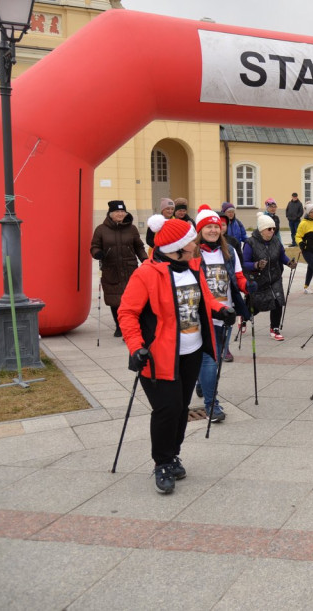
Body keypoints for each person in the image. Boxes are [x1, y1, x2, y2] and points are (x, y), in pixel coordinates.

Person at [119, 218, 235, 494]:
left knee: (181, 408)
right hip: (158, 355)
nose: (195, 244)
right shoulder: (147, 274)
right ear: (177, 248)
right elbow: (127, 313)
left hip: (191, 352)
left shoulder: (193, 267)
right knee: (166, 409)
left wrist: (220, 310)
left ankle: (173, 454)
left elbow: (203, 298)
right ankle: (161, 463)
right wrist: (136, 347)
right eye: (190, 241)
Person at [191, 205, 252, 420]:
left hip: (226, 313)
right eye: (208, 227)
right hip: (203, 315)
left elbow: (238, 277)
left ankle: (201, 381)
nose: (213, 231)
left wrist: (248, 286)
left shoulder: (229, 250)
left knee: (213, 358)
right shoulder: (193, 252)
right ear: (200, 230)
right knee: (212, 360)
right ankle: (211, 404)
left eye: (216, 227)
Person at [91, 200, 147, 337]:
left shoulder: (132, 229)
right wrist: (97, 253)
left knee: (132, 299)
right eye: (117, 211)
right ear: (110, 213)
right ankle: (119, 326)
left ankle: (133, 325)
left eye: (122, 211)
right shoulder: (101, 229)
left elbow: (139, 247)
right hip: (111, 269)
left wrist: (145, 259)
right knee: (115, 300)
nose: (120, 214)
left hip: (130, 268)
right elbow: (94, 246)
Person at [242, 213, 297, 341]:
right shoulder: (250, 243)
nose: (272, 231)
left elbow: (282, 255)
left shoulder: (276, 240)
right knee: (256, 307)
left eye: (274, 228)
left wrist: (289, 263)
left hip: (275, 276)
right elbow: (244, 263)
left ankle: (275, 328)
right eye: (269, 229)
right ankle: (244, 317)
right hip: (259, 279)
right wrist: (256, 265)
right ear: (261, 230)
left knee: (278, 301)